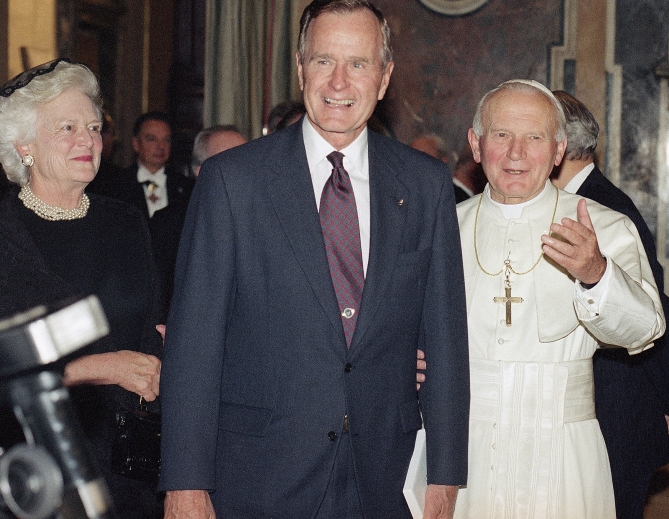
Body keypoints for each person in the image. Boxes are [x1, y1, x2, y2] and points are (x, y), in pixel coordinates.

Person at [158, 1, 470, 518]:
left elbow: (446, 339)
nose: (340, 82)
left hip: (384, 476)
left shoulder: (424, 185)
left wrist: (446, 472)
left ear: (385, 76)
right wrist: (185, 483)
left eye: (359, 63)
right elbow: (195, 342)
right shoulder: (233, 181)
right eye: (324, 61)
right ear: (301, 68)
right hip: (259, 475)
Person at [453, 79, 665, 518]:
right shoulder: (443, 226)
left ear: (558, 149)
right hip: (463, 445)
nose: (516, 153)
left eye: (534, 137)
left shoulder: (604, 226)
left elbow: (646, 329)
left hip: (564, 447)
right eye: (501, 135)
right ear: (476, 144)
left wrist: (596, 274)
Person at [0, 58, 164, 518]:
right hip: (35, 477)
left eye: (93, 128)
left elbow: (153, 329)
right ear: (23, 145)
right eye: (67, 127)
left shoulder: (126, 221)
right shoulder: (7, 234)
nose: (87, 140)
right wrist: (99, 367)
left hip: (131, 471)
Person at [551, 89, 669, 519]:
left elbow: (654, 311)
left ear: (560, 145)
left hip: (616, 416)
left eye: (535, 136)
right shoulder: (585, 199)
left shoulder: (601, 208)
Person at [92, 111, 194, 310]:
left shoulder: (188, 188)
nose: (160, 146)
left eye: (166, 140)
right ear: (136, 143)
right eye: (151, 139)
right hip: (129, 284)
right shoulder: (112, 186)